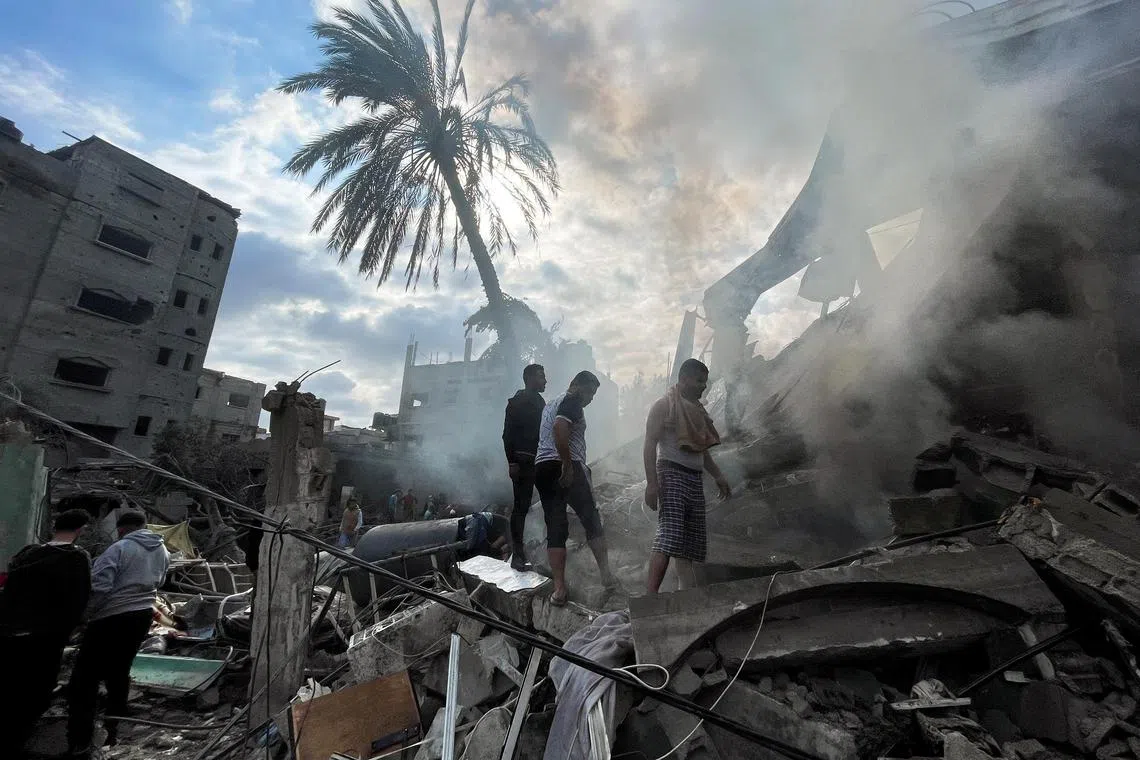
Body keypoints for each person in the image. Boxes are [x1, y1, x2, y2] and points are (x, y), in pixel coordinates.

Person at [67, 511, 170, 757]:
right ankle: (115, 722)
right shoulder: (162, 550)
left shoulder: (119, 548)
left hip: (112, 616)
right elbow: (162, 580)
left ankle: (80, 737)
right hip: (142, 614)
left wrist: (84, 616)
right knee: (120, 668)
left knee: (85, 677)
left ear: (122, 529)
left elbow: (101, 586)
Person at [0, 509, 92, 758]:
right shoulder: (76, 558)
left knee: (11, 683)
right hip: (48, 634)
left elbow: (7, 591)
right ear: (80, 530)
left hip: (12, 631)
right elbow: (79, 598)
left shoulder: (27, 553)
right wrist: (75, 626)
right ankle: (19, 739)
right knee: (38, 685)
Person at [644, 359, 732, 594]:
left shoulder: (695, 410)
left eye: (705, 381)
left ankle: (686, 597)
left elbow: (700, 449)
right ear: (684, 379)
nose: (704, 386)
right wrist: (652, 484)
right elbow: (650, 444)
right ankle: (649, 598)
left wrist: (718, 476)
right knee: (669, 536)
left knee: (690, 545)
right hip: (671, 473)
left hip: (694, 478)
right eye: (700, 381)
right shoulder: (663, 406)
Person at [534, 371, 617, 606]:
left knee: (555, 527)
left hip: (542, 468)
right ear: (575, 385)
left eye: (593, 394)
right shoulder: (572, 401)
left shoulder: (551, 403)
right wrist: (568, 465)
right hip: (564, 465)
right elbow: (560, 428)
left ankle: (559, 589)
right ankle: (606, 576)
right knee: (592, 521)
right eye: (589, 391)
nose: (590, 398)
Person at [503, 363, 548, 570]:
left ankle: (548, 549)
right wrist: (512, 462)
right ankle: (518, 555)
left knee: (549, 502)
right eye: (541, 376)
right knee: (520, 508)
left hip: (542, 461)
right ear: (529, 379)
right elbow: (507, 435)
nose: (545, 380)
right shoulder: (517, 402)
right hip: (522, 462)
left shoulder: (542, 402)